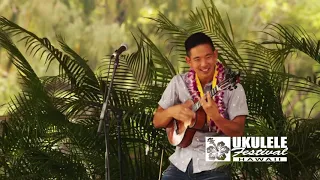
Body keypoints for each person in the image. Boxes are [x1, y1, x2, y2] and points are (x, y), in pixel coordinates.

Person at [153, 32, 249, 180]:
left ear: (215, 55)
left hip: (215, 163)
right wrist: (173, 111)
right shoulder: (178, 83)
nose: (204, 64)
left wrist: (216, 116)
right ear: (188, 61)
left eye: (208, 57)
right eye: (197, 59)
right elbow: (157, 121)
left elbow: (238, 131)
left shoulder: (232, 87)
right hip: (182, 162)